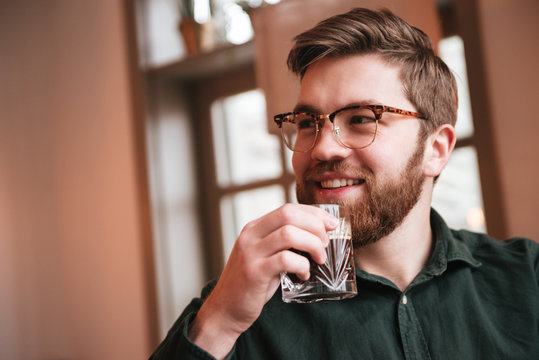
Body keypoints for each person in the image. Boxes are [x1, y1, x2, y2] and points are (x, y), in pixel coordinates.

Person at [150, 8, 539, 360]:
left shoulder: (527, 277)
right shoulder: (238, 308)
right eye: (307, 123)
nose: (322, 148)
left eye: (360, 119)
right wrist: (220, 322)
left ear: (435, 149)